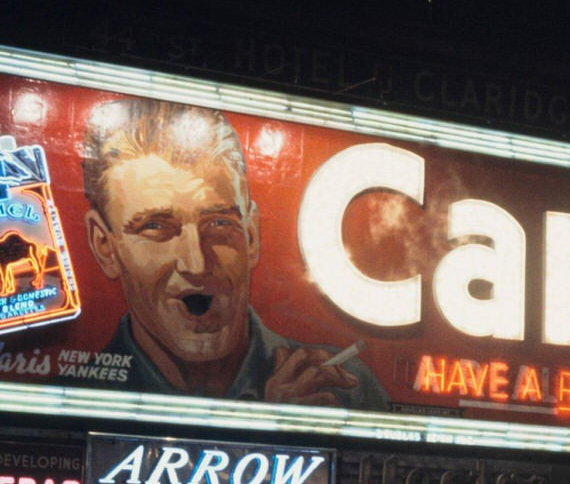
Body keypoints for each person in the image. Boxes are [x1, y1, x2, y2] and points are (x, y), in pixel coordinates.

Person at [82, 98, 388, 408]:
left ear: (252, 236)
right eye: (157, 228)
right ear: (104, 246)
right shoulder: (66, 397)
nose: (197, 264)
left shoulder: (341, 387)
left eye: (218, 223)